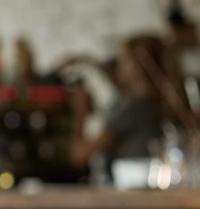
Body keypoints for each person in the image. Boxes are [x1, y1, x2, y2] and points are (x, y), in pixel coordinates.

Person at [66, 33, 178, 170]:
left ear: (135, 68)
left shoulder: (135, 106)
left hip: (131, 178)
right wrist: (88, 61)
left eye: (123, 61)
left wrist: (80, 114)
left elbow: (79, 155)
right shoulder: (158, 101)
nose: (118, 67)